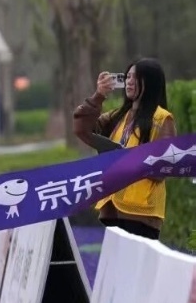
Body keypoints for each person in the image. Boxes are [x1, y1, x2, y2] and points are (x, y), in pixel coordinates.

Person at [72, 58, 178, 240]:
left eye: (136, 78)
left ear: (151, 82)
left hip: (141, 215)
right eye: (127, 76)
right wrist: (98, 96)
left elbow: (163, 168)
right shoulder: (118, 116)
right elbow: (81, 129)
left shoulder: (162, 119)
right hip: (110, 210)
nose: (129, 81)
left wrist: (127, 159)